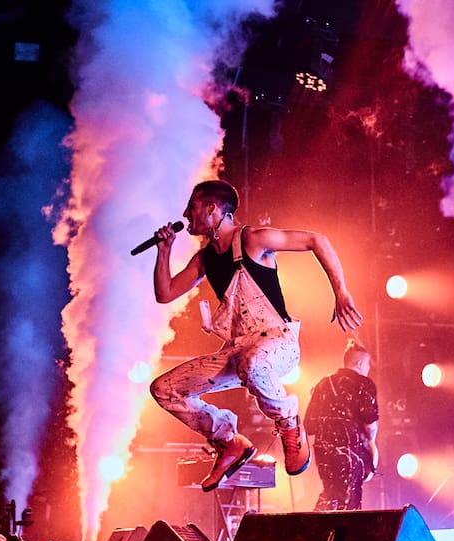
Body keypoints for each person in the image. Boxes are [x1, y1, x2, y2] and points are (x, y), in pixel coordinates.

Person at [148, 179, 363, 490]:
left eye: (192, 207)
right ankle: (228, 441)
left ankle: (289, 422)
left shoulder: (252, 239)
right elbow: (165, 293)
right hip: (238, 350)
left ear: (212, 209)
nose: (185, 214)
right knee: (164, 389)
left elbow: (316, 240)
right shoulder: (205, 259)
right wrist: (164, 251)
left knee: (252, 363)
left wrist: (341, 291)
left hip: (278, 342)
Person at [303, 339, 379, 510]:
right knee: (350, 501)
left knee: (331, 495)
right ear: (359, 363)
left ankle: (318, 524)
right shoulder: (364, 384)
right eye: (368, 364)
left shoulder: (323, 384)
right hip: (352, 452)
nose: (368, 369)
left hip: (324, 452)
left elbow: (309, 425)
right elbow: (370, 423)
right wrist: (371, 444)